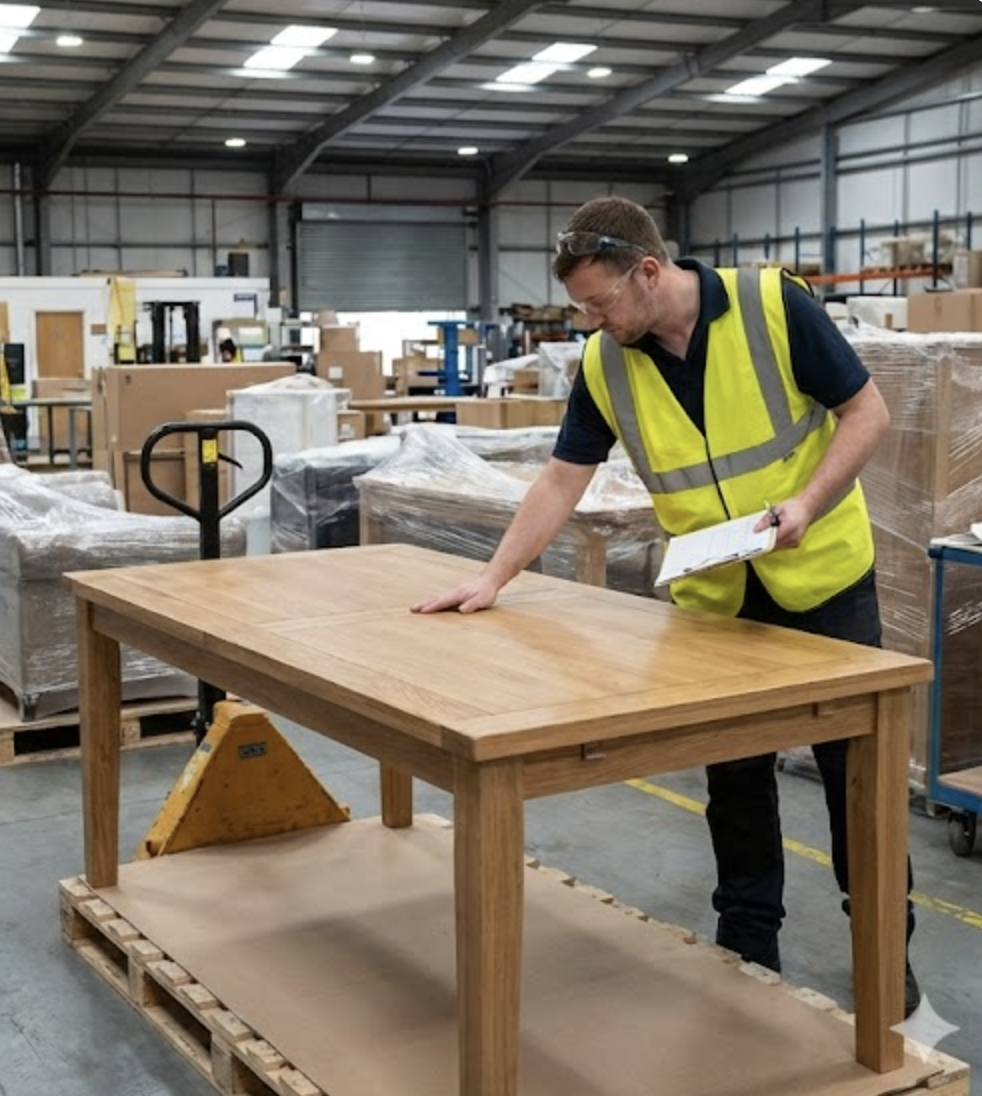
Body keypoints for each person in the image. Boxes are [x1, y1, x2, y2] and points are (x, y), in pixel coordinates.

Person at [412, 195, 921, 1017]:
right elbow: (561, 477)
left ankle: (883, 958)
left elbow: (866, 412)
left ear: (649, 271)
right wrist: (494, 577)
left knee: (854, 780)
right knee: (737, 779)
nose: (592, 318)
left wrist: (809, 503)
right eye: (582, 306)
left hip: (822, 578)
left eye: (601, 301)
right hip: (717, 599)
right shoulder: (605, 362)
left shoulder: (771, 306)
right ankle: (749, 944)